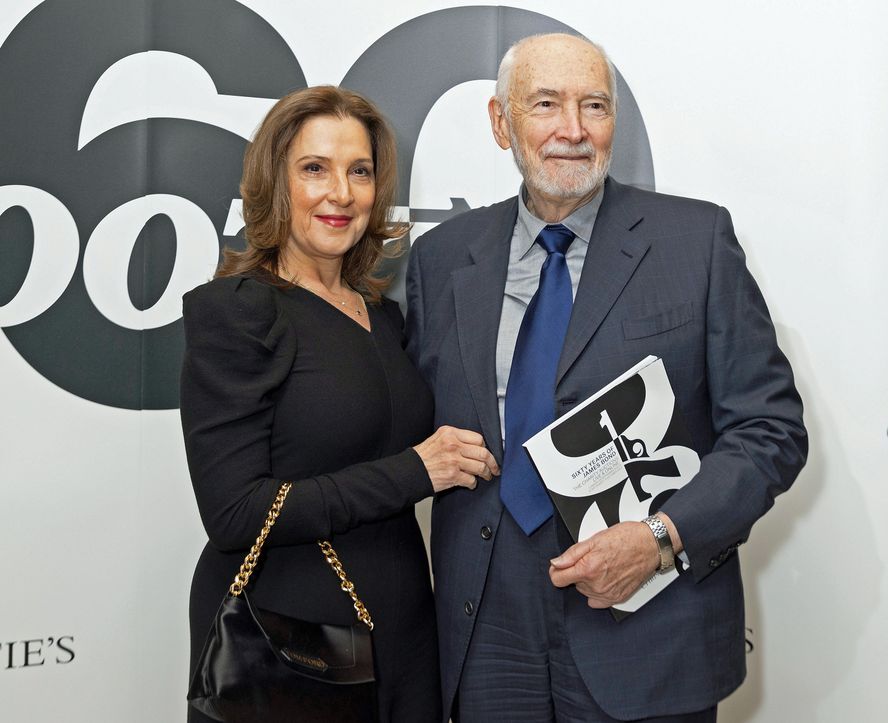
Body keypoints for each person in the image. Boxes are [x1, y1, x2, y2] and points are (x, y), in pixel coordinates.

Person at [405, 33, 808, 722]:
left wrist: (660, 537)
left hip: (649, 627)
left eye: (594, 105)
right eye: (546, 104)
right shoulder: (440, 259)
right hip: (486, 625)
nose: (573, 129)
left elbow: (770, 429)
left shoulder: (696, 242)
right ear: (501, 123)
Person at [180, 85, 498, 723]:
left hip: (404, 632)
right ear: (276, 183)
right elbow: (237, 513)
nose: (341, 193)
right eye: (314, 169)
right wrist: (416, 471)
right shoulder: (241, 311)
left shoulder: (382, 315)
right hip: (288, 643)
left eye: (359, 171)